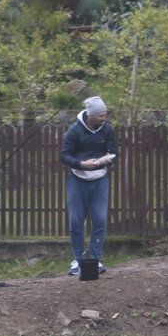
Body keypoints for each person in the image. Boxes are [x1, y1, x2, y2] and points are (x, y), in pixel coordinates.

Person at [60, 96, 116, 276]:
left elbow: (114, 151)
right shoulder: (74, 131)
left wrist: (106, 160)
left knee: (99, 219)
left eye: (105, 114)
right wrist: (82, 164)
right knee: (76, 221)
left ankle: (95, 258)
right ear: (90, 116)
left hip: (100, 179)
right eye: (100, 115)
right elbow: (64, 156)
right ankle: (77, 259)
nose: (104, 118)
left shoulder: (107, 130)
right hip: (78, 179)